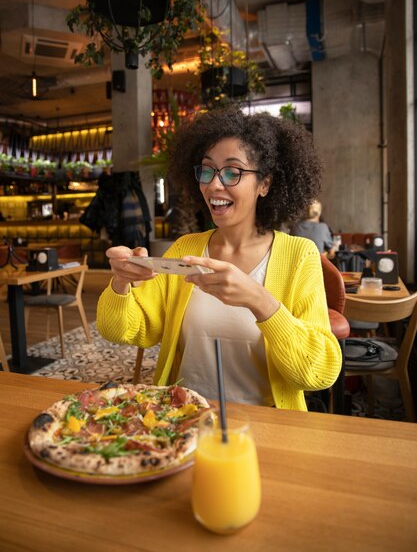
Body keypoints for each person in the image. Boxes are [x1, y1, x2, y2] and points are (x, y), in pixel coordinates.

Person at [96, 107, 342, 411]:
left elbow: (320, 372)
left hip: (269, 428)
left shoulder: (299, 255)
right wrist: (121, 283)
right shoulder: (185, 248)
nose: (213, 185)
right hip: (184, 419)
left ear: (264, 184)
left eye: (231, 172)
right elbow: (121, 331)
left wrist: (260, 301)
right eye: (207, 170)